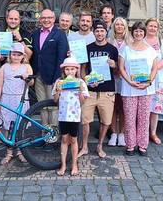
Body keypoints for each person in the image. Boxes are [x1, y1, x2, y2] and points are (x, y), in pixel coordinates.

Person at [78, 20, 118, 158]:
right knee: (85, 119)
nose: (99, 33)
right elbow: (82, 69)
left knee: (106, 120)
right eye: (97, 31)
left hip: (107, 90)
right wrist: (86, 81)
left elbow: (118, 72)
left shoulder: (113, 49)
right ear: (93, 32)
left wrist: (114, 65)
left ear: (106, 32)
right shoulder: (87, 48)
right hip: (91, 91)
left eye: (102, 31)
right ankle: (84, 146)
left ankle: (100, 145)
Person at [118, 21, 158, 156]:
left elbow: (154, 69)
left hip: (146, 90)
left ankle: (142, 145)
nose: (138, 33)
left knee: (144, 118)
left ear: (144, 33)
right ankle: (130, 145)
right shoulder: (126, 49)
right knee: (129, 118)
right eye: (136, 31)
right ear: (132, 32)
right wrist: (129, 81)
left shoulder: (151, 51)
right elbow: (121, 68)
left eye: (141, 31)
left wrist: (149, 82)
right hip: (129, 89)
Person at [0, 43, 33, 165]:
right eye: (14, 54)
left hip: (21, 100)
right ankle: (9, 152)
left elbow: (32, 82)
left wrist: (27, 77)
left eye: (18, 55)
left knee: (20, 126)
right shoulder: (4, 67)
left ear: (23, 56)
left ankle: (21, 151)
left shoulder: (26, 67)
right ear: (10, 55)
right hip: (7, 99)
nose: (16, 57)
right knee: (7, 126)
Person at [31, 9, 69, 126]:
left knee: (53, 106)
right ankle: (45, 133)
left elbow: (61, 57)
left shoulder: (60, 34)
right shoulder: (36, 33)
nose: (46, 20)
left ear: (53, 19)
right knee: (42, 105)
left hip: (53, 76)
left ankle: (53, 133)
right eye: (43, 18)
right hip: (38, 75)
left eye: (49, 18)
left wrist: (57, 78)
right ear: (40, 19)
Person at [52, 57, 89, 176]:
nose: (70, 72)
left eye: (72, 69)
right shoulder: (59, 81)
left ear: (76, 70)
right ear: (63, 71)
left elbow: (83, 102)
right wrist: (58, 91)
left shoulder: (80, 82)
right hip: (63, 116)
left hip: (74, 116)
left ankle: (74, 164)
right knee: (64, 139)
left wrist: (80, 91)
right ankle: (63, 165)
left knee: (73, 140)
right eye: (67, 69)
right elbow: (55, 100)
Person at [145, 18, 163, 145]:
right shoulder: (141, 40)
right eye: (150, 26)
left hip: (158, 79)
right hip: (143, 78)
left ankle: (153, 133)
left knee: (154, 108)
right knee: (143, 107)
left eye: (155, 26)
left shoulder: (161, 42)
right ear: (146, 27)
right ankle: (142, 133)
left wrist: (154, 69)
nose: (153, 28)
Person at [107, 17, 131, 147]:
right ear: (114, 26)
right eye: (117, 24)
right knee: (111, 108)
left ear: (125, 27)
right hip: (111, 79)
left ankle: (122, 134)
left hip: (125, 80)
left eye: (122, 24)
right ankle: (113, 133)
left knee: (123, 108)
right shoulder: (108, 41)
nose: (120, 27)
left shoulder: (131, 42)